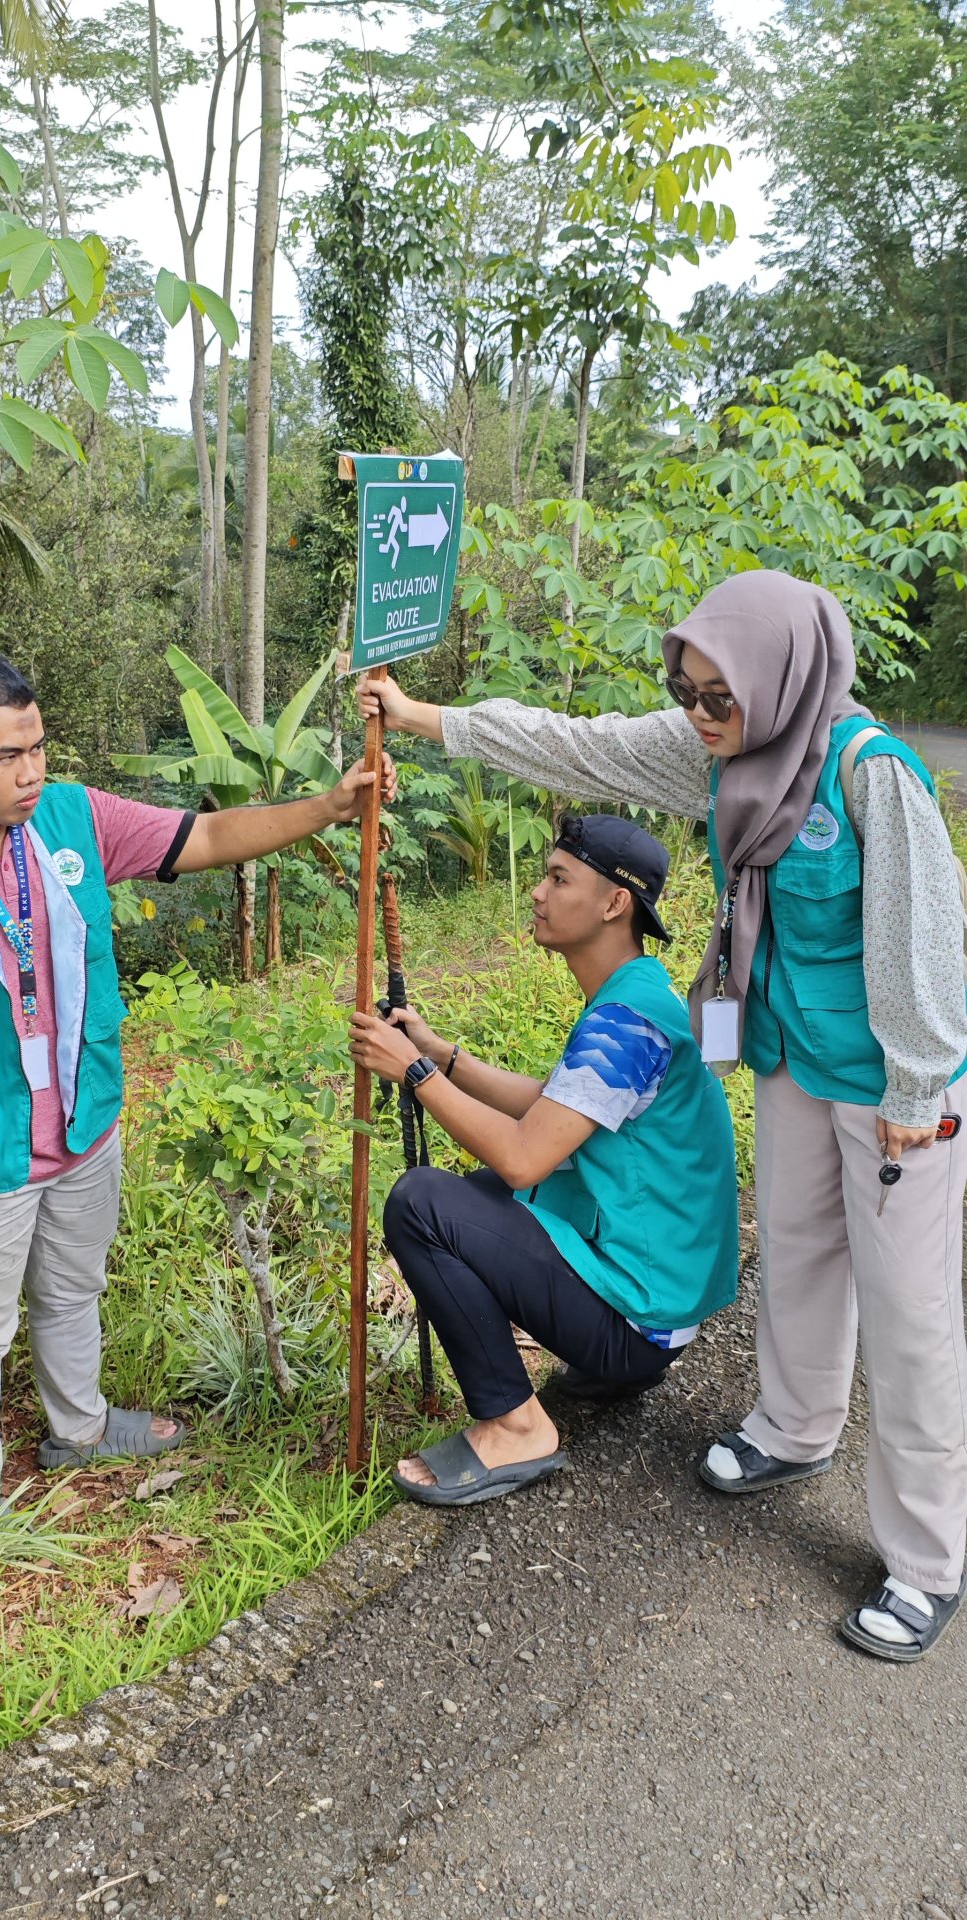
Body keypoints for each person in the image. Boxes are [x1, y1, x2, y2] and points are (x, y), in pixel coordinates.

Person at [358, 569, 967, 1660]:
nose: (697, 716)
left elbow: (927, 945)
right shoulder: (720, 756)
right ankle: (793, 1429)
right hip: (782, 1056)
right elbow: (576, 746)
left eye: (716, 696)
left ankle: (927, 1561)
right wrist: (426, 719)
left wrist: (920, 1092)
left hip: (892, 1086)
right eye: (685, 692)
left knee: (910, 1308)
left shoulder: (871, 775)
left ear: (781, 676)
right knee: (800, 1253)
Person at [0, 649, 395, 1509]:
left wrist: (327, 807)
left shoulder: (73, 818)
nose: (31, 773)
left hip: (83, 1122)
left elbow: (208, 837)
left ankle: (77, 1429)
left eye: (38, 747)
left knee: (74, 1287)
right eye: (6, 757)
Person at [349, 812, 738, 1507]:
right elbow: (554, 1106)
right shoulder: (640, 995)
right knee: (473, 1194)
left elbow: (528, 1156)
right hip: (658, 1309)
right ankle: (608, 1374)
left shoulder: (627, 1022)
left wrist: (413, 1073)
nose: (537, 892)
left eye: (559, 878)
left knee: (422, 1203)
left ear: (615, 903)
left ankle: (517, 1426)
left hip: (640, 1323)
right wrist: (442, 1056)